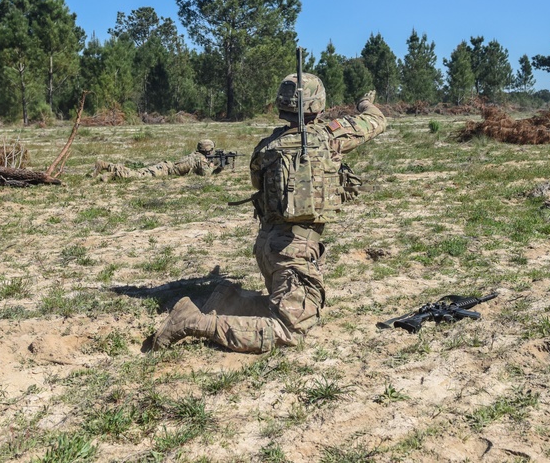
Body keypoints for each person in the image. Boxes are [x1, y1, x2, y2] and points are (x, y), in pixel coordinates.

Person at [152, 73, 386, 352]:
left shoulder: (265, 148)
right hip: (293, 251)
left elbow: (259, 187)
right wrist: (364, 103)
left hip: (268, 246)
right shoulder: (331, 137)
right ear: (319, 105)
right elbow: (376, 121)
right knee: (290, 330)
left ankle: (226, 299)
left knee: (284, 305)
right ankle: (193, 322)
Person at [92, 139, 222, 182]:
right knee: (138, 175)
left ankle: (105, 165)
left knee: (138, 171)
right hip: (165, 171)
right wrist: (214, 165)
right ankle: (113, 174)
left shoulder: (196, 155)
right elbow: (205, 174)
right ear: (208, 150)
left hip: (165, 166)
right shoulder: (201, 159)